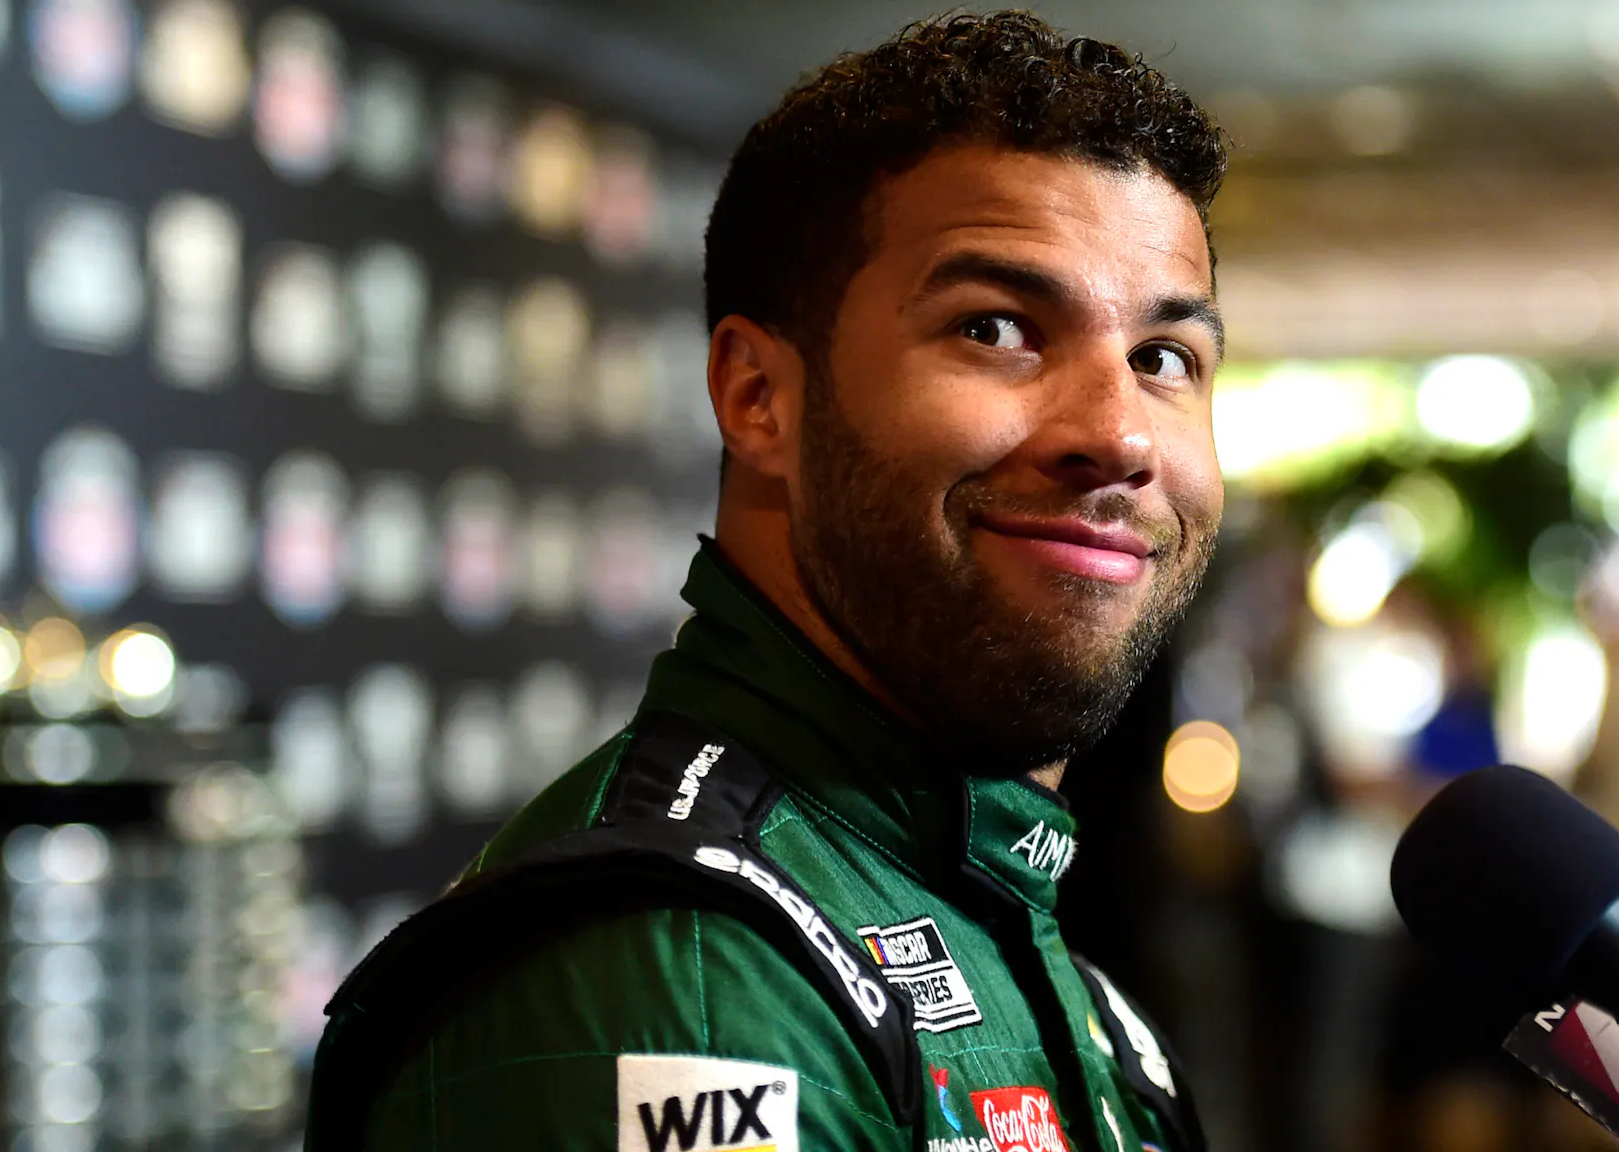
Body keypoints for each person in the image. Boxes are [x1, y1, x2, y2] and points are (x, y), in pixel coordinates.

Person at [305, 12, 1228, 1152]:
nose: (1120, 433)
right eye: (994, 328)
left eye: (1162, 358)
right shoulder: (687, 979)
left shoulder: (982, 900)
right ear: (757, 398)